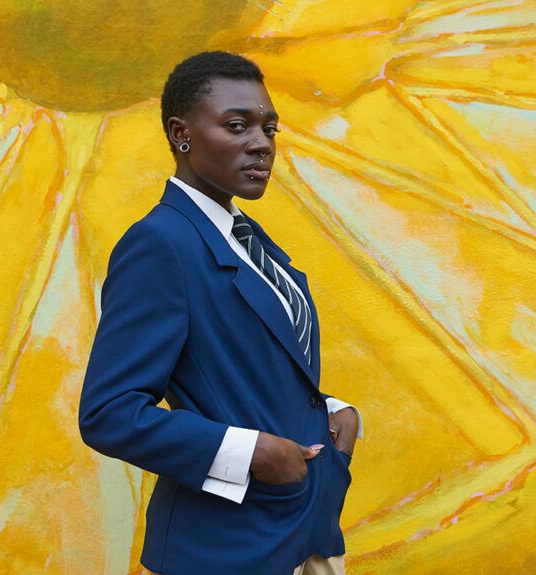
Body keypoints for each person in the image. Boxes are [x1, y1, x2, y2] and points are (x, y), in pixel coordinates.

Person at [78, 51, 362, 575]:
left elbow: (251, 359)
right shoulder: (161, 245)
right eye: (237, 126)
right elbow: (108, 413)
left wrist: (332, 409)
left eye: (270, 129)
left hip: (306, 535)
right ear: (181, 135)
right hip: (225, 550)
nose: (262, 144)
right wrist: (251, 452)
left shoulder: (246, 240)